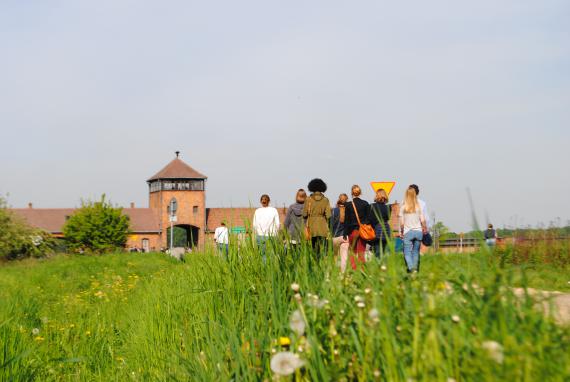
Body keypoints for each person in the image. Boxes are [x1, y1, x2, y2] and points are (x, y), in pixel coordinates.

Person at [399, 187, 427, 273]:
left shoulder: (403, 207)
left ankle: (410, 268)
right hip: (418, 232)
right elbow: (423, 220)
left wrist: (402, 232)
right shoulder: (418, 207)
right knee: (415, 252)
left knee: (407, 252)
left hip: (408, 232)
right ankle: (415, 270)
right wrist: (424, 229)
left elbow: (402, 223)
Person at [302, 179, 332, 258]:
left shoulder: (308, 199)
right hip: (323, 228)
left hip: (311, 228)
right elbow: (328, 215)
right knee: (322, 250)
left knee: (313, 250)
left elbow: (304, 214)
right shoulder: (326, 200)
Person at [343, 185, 370, 270]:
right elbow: (368, 219)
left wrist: (345, 233)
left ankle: (353, 270)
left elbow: (346, 220)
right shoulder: (365, 204)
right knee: (361, 251)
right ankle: (362, 271)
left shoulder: (348, 205)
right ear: (360, 192)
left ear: (352, 193)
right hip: (362, 231)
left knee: (352, 251)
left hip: (352, 231)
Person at [252, 194, 280, 262]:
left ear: (260, 201)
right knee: (272, 255)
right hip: (272, 236)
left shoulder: (257, 211)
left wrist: (258, 232)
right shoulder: (274, 210)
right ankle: (271, 270)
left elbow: (254, 225)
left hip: (260, 236)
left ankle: (263, 270)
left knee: (262, 255)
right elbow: (277, 224)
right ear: (269, 201)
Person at [369, 189, 391, 260]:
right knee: (384, 252)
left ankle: (379, 268)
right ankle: (384, 267)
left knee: (377, 252)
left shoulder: (372, 206)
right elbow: (388, 218)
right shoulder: (388, 207)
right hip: (386, 231)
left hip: (377, 230)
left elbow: (371, 220)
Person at [331, 193, 350, 272]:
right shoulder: (349, 211)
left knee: (335, 256)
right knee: (344, 257)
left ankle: (334, 272)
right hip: (345, 237)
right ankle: (343, 274)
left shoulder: (334, 211)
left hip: (335, 237)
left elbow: (330, 224)